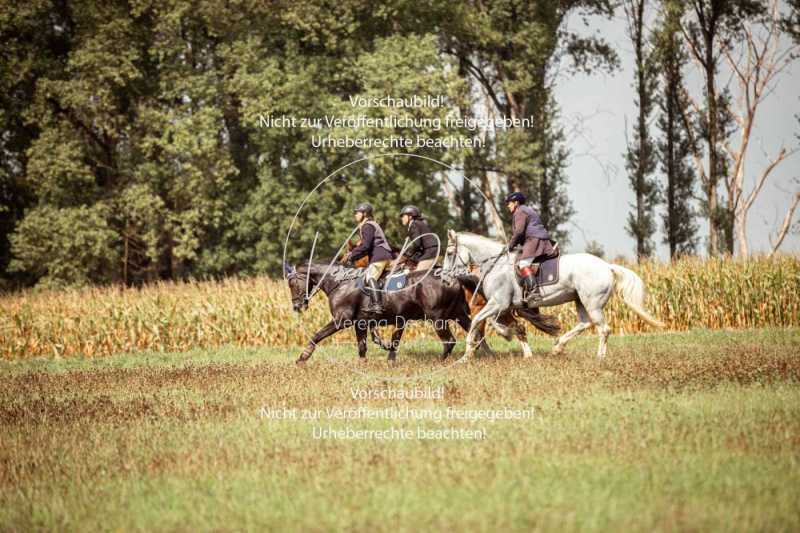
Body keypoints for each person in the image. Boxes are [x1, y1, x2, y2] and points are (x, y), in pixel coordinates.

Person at [504, 191, 558, 302]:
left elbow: (519, 232)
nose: (508, 205)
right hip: (536, 238)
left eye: (510, 203)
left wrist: (510, 245)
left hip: (533, 239)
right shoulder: (526, 209)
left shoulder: (519, 211)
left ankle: (534, 291)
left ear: (516, 203)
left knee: (523, 263)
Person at [345, 202, 394, 314]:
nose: (355, 215)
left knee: (370, 277)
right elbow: (365, 247)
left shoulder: (368, 226)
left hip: (379, 256)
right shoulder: (369, 225)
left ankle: (377, 305)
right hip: (382, 255)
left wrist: (352, 255)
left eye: (357, 213)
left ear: (365, 214)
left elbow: (366, 246)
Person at [394, 205, 439, 274]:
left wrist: (408, 255)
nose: (402, 218)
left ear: (410, 216)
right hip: (430, 250)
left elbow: (416, 243)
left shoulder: (414, 224)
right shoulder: (418, 223)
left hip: (430, 252)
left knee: (416, 274)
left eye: (403, 216)